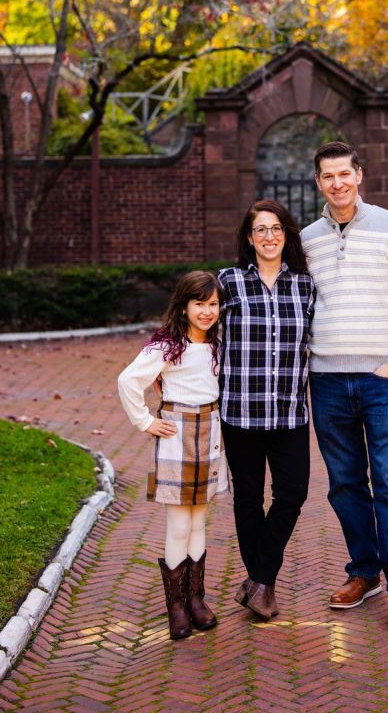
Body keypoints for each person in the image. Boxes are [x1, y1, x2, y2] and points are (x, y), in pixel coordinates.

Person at [301, 141, 388, 629]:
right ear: (319, 183)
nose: (338, 183)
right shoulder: (307, 238)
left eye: (345, 174)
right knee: (346, 485)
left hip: (382, 377)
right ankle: (365, 571)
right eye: (328, 176)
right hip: (327, 378)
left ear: (359, 174)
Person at [218, 199, 315, 621]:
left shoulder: (306, 286)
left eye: (276, 228)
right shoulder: (228, 282)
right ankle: (264, 586)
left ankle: (259, 576)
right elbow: (198, 330)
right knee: (248, 498)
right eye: (260, 230)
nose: (269, 236)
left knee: (293, 492)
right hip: (240, 410)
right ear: (248, 238)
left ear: (287, 235)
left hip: (290, 410)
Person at [117, 270, 227, 640]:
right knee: (179, 524)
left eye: (213, 304)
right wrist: (145, 421)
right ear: (183, 307)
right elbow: (128, 380)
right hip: (178, 437)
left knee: (199, 522)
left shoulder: (217, 344)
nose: (207, 311)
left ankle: (197, 600)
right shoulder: (166, 345)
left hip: (210, 433)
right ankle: (176, 607)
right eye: (199, 304)